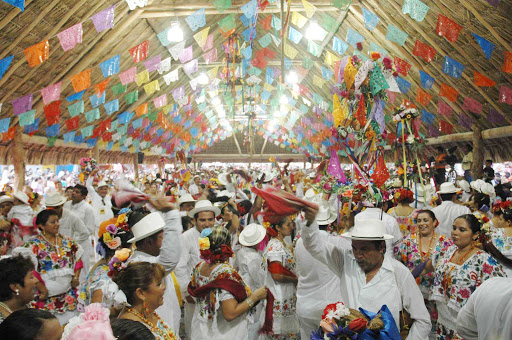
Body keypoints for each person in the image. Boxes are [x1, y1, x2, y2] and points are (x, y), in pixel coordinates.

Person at [301, 210, 431, 338]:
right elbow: (313, 245)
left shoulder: (399, 273)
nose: (358, 255)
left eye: (364, 249)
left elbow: (422, 320)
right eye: (355, 248)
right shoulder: (345, 262)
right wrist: (309, 220)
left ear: (381, 247)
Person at [419, 214, 506, 339]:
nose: (455, 232)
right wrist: (406, 277)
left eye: (462, 230)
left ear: (475, 235)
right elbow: (426, 267)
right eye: (454, 228)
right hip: (442, 325)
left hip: (465, 329)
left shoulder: (483, 260)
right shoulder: (446, 252)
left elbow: (500, 290)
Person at [188, 226, 268, 339]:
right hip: (223, 332)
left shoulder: (199, 267)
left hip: (202, 329)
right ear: (228, 246)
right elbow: (230, 314)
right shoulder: (226, 274)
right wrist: (255, 297)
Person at [13, 209, 83, 324]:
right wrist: (41, 288)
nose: (57, 224)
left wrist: (75, 277)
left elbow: (78, 259)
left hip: (67, 297)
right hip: (45, 298)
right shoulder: (33, 244)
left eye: (57, 221)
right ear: (41, 226)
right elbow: (28, 269)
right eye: (52, 222)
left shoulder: (68, 242)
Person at [394, 210, 453, 338]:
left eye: (425, 220)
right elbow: (397, 265)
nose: (422, 224)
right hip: (413, 294)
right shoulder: (407, 242)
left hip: (436, 296)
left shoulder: (446, 243)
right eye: (419, 221)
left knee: (435, 330)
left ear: (434, 222)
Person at [129, 197, 182, 334]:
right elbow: (170, 258)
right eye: (163, 237)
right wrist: (171, 214)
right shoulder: (143, 264)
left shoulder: (150, 259)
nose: (166, 242)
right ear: (149, 242)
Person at [295, 203, 343, 340]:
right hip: (330, 307)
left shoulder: (299, 242)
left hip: (305, 305)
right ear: (329, 224)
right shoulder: (336, 242)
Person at [175, 200, 219, 337]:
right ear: (194, 220)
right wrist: (186, 292)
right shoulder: (186, 238)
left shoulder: (218, 234)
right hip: (195, 293)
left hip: (216, 291)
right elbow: (180, 267)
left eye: (210, 219)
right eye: (203, 220)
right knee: (195, 330)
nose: (207, 224)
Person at [78, 209, 133, 311]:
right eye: (130, 249)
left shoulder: (104, 266)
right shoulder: (105, 280)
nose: (132, 253)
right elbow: (96, 315)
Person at [113, 261, 178, 339]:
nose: (164, 287)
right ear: (141, 293)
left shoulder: (148, 313)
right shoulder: (131, 328)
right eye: (159, 284)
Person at [261, 214, 300, 339]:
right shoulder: (275, 246)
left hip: (284, 296)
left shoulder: (279, 243)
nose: (291, 227)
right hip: (279, 296)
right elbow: (276, 274)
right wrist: (295, 280)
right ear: (278, 227)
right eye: (288, 224)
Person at [44, 191, 92, 282]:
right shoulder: (43, 217)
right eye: (50, 208)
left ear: (61, 206)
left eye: (56, 208)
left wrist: (71, 244)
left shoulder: (71, 217)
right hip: (50, 253)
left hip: (67, 255)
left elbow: (84, 233)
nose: (53, 210)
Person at [235, 223, 267, 340]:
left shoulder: (242, 251)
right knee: (254, 321)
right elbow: (258, 279)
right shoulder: (254, 257)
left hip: (244, 285)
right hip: (253, 289)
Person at [0, 254, 38, 323]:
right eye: (31, 277)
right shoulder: (3, 322)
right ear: (15, 287)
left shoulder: (29, 304)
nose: (36, 280)